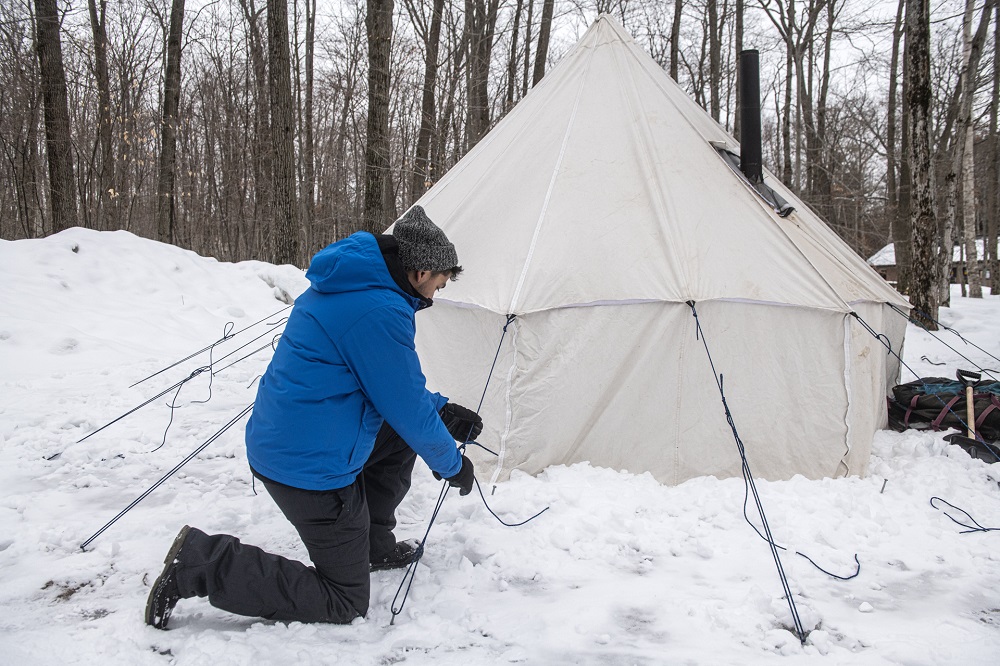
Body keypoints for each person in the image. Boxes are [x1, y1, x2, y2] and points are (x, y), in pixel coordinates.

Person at [144, 206, 482, 629]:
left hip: (290, 439)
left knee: (398, 436)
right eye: (439, 283)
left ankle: (372, 544)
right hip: (307, 467)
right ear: (420, 273)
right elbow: (406, 407)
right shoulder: (379, 310)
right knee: (344, 600)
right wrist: (452, 465)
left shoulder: (349, 286)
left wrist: (442, 411)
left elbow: (390, 387)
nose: (436, 294)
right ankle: (202, 563)